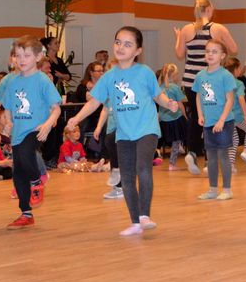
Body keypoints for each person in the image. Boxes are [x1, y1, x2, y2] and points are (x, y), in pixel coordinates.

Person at [65, 27, 179, 236]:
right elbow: (94, 103)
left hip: (146, 129)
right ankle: (135, 223)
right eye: (118, 42)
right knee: (126, 177)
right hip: (124, 133)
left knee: (143, 168)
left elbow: (157, 95)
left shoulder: (144, 72)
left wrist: (168, 103)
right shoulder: (109, 77)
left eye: (128, 44)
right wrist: (76, 118)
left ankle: (144, 215)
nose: (121, 47)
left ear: (138, 50)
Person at [0, 36, 62, 230]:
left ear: (38, 57)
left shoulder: (42, 80)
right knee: (18, 171)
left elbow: (56, 108)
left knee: (28, 152)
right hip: (18, 132)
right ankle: (26, 213)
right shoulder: (12, 81)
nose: (21, 60)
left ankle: (37, 181)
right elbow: (8, 106)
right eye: (18, 55)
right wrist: (5, 119)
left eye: (26, 55)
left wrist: (47, 125)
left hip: (36, 130)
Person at [174, 0, 238, 175]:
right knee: (213, 116)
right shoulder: (218, 28)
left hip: (190, 81)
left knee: (196, 117)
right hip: (212, 80)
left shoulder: (186, 29)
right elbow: (234, 49)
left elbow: (179, 54)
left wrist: (178, 37)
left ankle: (193, 152)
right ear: (209, 9)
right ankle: (210, 160)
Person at [193, 40, 237, 201]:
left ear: (222, 56)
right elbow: (198, 96)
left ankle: (227, 189)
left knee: (223, 155)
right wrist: (200, 115)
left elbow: (230, 100)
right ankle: (212, 189)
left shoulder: (226, 76)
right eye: (208, 51)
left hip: (224, 122)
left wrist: (221, 120)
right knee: (210, 156)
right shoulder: (200, 76)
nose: (210, 54)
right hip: (208, 122)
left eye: (214, 51)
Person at [157, 64, 188, 170]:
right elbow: (180, 104)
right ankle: (172, 164)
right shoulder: (174, 87)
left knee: (174, 138)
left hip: (165, 120)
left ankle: (179, 146)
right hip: (176, 118)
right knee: (178, 138)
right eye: (177, 74)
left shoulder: (159, 88)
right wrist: (185, 115)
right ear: (173, 76)